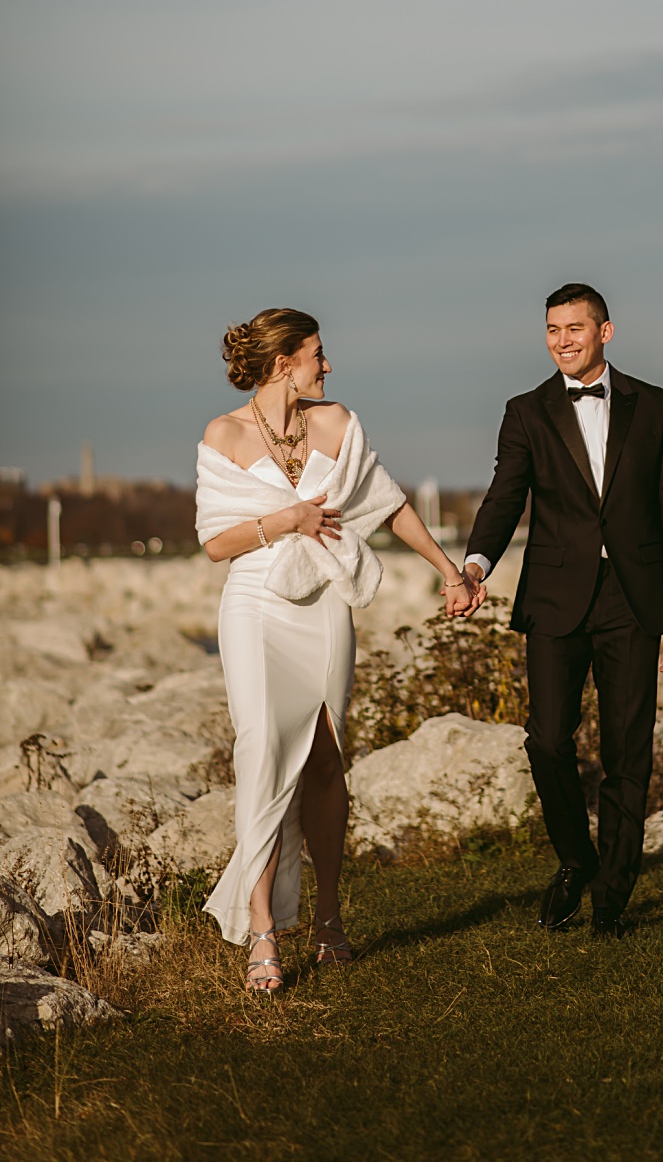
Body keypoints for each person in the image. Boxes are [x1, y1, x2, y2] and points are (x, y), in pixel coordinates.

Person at [196, 307, 469, 995]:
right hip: (254, 603)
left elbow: (388, 503)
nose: (327, 364)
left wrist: (448, 568)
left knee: (324, 756)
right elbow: (214, 541)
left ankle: (326, 918)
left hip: (324, 603)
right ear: (284, 359)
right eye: (318, 352)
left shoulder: (337, 422)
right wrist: (286, 517)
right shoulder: (223, 434)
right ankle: (262, 929)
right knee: (261, 748)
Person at [454, 283, 663, 938]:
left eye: (575, 328)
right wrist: (475, 565)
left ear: (606, 332)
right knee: (546, 740)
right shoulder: (526, 411)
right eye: (553, 329)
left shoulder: (656, 408)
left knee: (629, 754)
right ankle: (577, 858)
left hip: (634, 599)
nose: (563, 339)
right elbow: (504, 497)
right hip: (554, 599)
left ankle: (612, 901)